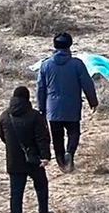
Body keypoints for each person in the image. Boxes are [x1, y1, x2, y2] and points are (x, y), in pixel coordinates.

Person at [36, 31, 98, 173]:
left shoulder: (46, 65)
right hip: (72, 106)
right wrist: (93, 101)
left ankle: (62, 163)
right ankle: (70, 152)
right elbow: (87, 84)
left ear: (54, 45)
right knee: (74, 133)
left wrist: (41, 107)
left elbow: (40, 88)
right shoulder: (77, 64)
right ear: (70, 45)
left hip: (53, 108)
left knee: (57, 137)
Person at [0, 86, 53, 213]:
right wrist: (45, 156)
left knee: (16, 194)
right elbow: (42, 137)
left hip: (14, 160)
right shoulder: (35, 116)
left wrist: (13, 147)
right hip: (33, 159)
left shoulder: (5, 116)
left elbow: (2, 135)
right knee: (41, 185)